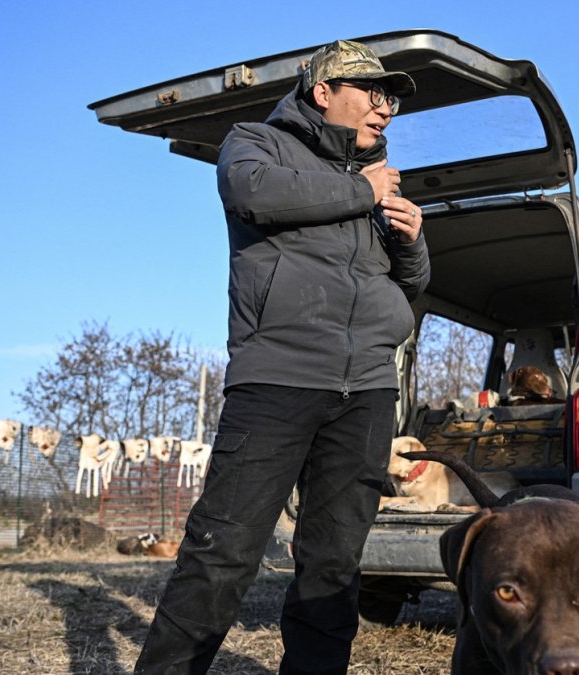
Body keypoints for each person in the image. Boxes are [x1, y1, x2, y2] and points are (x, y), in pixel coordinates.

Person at [134, 40, 429, 675]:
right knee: (223, 554)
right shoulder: (257, 143)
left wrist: (411, 242)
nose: (386, 110)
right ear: (324, 93)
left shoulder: (376, 182)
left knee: (333, 566)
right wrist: (362, 193)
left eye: (393, 100)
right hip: (279, 379)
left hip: (368, 392)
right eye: (372, 94)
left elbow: (404, 290)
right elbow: (251, 193)